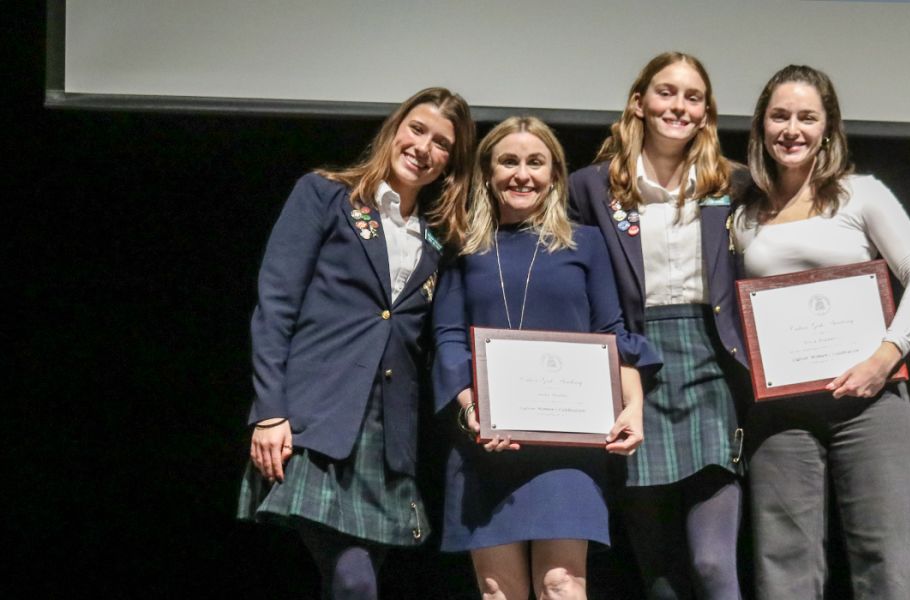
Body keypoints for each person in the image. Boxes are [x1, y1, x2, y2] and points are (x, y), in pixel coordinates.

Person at [237, 87, 476, 600]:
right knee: (353, 580)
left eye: (441, 143)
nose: (424, 147)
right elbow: (276, 304)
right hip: (315, 421)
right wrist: (269, 410)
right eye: (417, 129)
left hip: (387, 440)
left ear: (450, 163)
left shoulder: (438, 240)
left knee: (347, 581)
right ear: (394, 129)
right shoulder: (325, 195)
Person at [731, 64, 910, 599]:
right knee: (784, 568)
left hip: (872, 403)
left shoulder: (861, 194)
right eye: (780, 116)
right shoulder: (743, 215)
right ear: (761, 125)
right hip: (782, 411)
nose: (792, 129)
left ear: (828, 128)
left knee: (889, 565)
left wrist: (884, 358)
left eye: (807, 117)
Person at [432, 116, 660, 600]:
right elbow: (449, 339)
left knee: (562, 584)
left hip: (568, 446)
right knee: (498, 592)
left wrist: (633, 406)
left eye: (536, 162)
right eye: (508, 161)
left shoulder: (588, 243)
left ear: (555, 173)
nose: (522, 174)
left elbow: (612, 336)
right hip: (487, 445)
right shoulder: (463, 248)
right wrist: (473, 412)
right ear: (488, 173)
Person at [568, 52, 749, 600]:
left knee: (714, 563)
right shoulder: (591, 188)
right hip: (632, 371)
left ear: (707, 111)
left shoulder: (735, 183)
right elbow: (575, 281)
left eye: (693, 97)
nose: (679, 106)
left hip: (711, 364)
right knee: (660, 574)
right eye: (666, 92)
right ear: (639, 103)